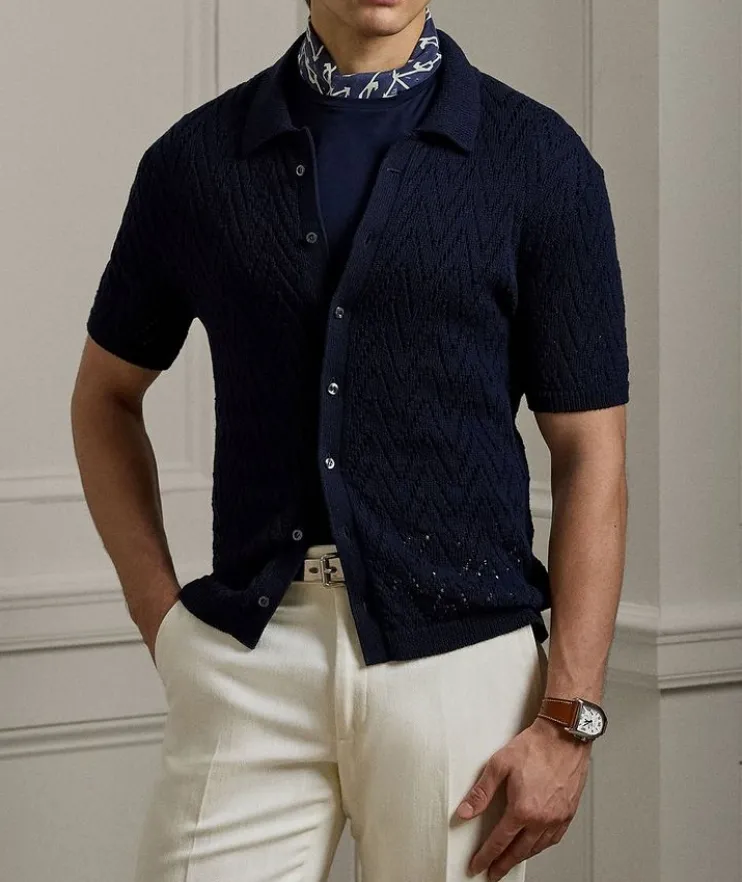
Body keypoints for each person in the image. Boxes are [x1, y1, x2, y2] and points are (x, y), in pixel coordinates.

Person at [70, 1, 629, 880]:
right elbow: (104, 398)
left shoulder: (538, 158)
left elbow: (592, 453)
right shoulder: (196, 162)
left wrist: (570, 716)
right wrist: (163, 621)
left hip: (460, 670)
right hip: (249, 655)